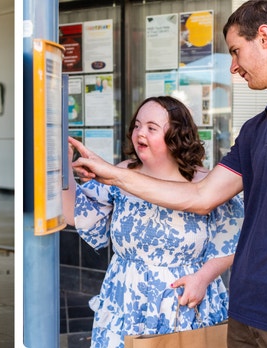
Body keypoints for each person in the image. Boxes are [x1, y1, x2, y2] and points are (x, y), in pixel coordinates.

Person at [70, 1, 267, 347]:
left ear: (264, 37)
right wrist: (112, 174)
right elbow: (201, 197)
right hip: (244, 314)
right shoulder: (256, 128)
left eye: (235, 51)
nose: (233, 67)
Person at [62, 96, 244, 348]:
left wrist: (202, 278)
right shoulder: (123, 173)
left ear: (176, 135)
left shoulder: (205, 183)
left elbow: (235, 238)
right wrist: (61, 165)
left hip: (183, 306)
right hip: (125, 301)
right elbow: (78, 215)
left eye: (151, 127)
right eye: (137, 125)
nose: (139, 133)